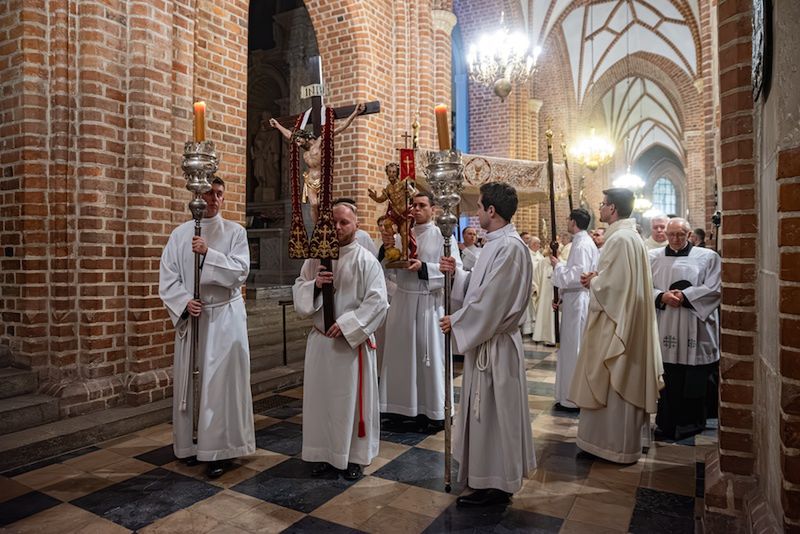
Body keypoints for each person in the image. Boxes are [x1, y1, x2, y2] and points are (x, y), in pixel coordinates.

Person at [439, 182, 535, 507]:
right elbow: (480, 289)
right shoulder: (495, 244)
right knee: (485, 416)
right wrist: (460, 275)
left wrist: (459, 320)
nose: (477, 212)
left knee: (495, 415)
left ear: (491, 211)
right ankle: (483, 477)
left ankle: (496, 483)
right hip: (486, 342)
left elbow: (494, 302)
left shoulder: (510, 247)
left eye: (479, 206)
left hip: (495, 346)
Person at [159, 176, 255, 478]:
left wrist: (208, 254)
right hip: (196, 317)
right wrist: (185, 301)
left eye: (219, 194)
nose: (214, 199)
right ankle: (190, 446)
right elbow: (168, 276)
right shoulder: (179, 234)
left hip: (225, 317)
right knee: (192, 383)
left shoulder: (235, 232)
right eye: (209, 194)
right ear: (197, 197)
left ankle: (220, 451)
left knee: (220, 387)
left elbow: (240, 272)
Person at [292, 202, 389, 480]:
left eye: (344, 222)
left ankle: (353, 457)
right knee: (321, 402)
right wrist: (315, 287)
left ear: (356, 224)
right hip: (321, 344)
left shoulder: (365, 260)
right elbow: (300, 288)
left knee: (349, 403)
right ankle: (322, 453)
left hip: (350, 345)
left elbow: (378, 303)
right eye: (333, 222)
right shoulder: (315, 258)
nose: (337, 227)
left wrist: (347, 325)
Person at [570, 188, 663, 463]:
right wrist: (600, 278)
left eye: (603, 204)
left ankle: (611, 447)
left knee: (610, 375)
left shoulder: (620, 239)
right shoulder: (630, 237)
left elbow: (614, 287)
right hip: (624, 317)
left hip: (615, 324)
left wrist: (593, 282)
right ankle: (610, 443)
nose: (600, 208)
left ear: (612, 209)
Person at [379, 191, 461, 430]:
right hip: (403, 301)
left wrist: (423, 267)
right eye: (413, 205)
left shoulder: (443, 236)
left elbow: (453, 268)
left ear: (433, 209)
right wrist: (387, 249)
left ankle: (433, 411)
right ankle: (396, 408)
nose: (415, 209)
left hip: (428, 303)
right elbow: (389, 269)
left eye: (422, 205)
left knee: (430, 359)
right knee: (399, 357)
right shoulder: (404, 234)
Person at [650, 218, 720, 440]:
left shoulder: (708, 257)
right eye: (671, 234)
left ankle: (691, 423)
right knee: (668, 378)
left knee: (694, 378)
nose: (675, 239)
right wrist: (661, 296)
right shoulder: (653, 257)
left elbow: (715, 289)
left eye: (680, 234)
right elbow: (642, 287)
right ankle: (666, 423)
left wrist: (686, 296)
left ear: (689, 235)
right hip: (666, 323)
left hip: (695, 326)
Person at [270, 103, 365, 209]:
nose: (297, 143)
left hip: (322, 179)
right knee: (314, 205)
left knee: (322, 205)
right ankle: (316, 226)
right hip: (310, 181)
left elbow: (341, 128)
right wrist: (277, 125)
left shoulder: (320, 141)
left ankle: (323, 223)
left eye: (298, 140)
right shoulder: (304, 150)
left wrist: (355, 113)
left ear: (305, 137)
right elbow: (289, 135)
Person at [550, 209, 599, 410]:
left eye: (568, 219)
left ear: (573, 222)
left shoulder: (582, 244)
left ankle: (572, 399)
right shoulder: (583, 242)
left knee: (574, 349)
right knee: (570, 348)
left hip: (578, 302)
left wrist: (558, 265)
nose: (567, 223)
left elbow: (577, 277)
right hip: (573, 300)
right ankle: (568, 395)